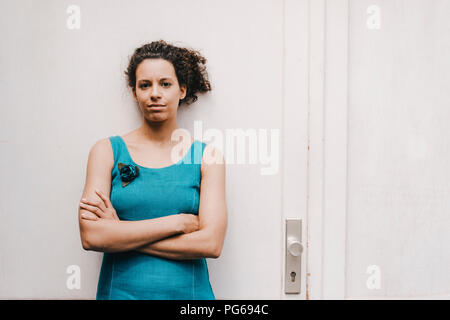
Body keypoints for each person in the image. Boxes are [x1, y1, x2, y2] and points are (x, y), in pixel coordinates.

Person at [77, 40, 228, 300]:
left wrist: (121, 233)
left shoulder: (207, 157)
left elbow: (211, 244)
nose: (154, 93)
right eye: (145, 85)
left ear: (181, 90)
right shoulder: (106, 151)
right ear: (135, 92)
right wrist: (176, 223)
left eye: (165, 84)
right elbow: (91, 236)